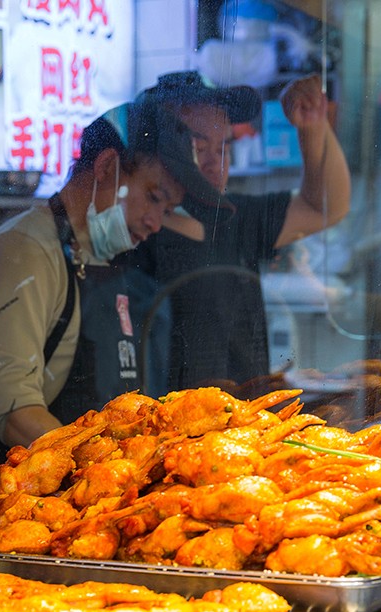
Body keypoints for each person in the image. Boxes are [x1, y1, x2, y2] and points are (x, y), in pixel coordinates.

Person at [0, 99, 223, 463]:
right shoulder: (23, 254)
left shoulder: (103, 254)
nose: (156, 222)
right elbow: (16, 414)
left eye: (166, 210)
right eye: (153, 197)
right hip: (43, 500)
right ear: (106, 167)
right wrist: (106, 467)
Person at [128, 71, 351, 393]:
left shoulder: (234, 217)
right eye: (197, 148)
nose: (215, 165)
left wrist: (312, 126)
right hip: (175, 432)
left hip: (244, 426)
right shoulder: (136, 235)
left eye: (224, 149)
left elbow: (325, 208)